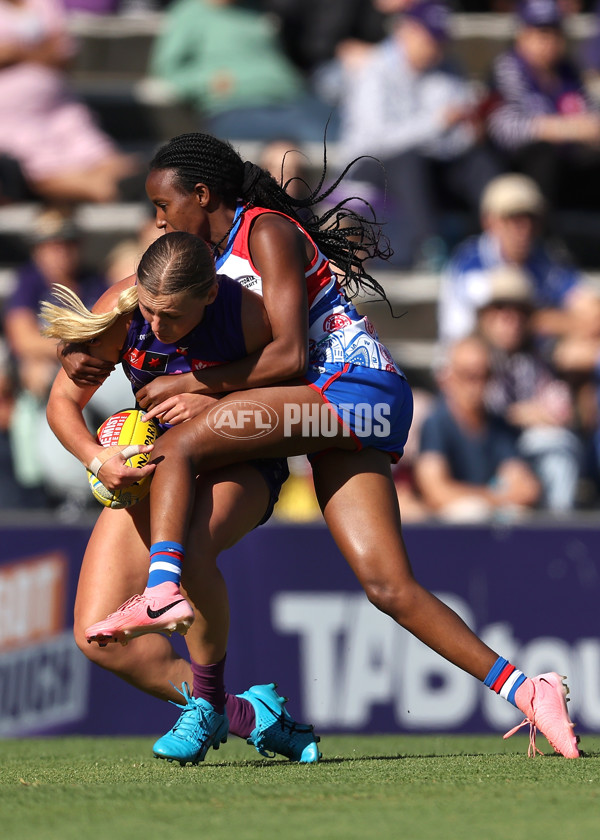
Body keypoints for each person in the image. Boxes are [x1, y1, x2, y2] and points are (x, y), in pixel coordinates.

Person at [60, 131, 581, 762]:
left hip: (351, 388)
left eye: (164, 207)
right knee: (388, 586)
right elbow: (69, 392)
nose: (158, 220)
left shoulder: (264, 232)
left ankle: (164, 588)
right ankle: (530, 690)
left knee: (180, 446)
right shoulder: (188, 273)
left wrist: (190, 385)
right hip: (334, 408)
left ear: (202, 195)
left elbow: (290, 355)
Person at [43, 231, 321, 766]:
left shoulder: (249, 317)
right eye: (149, 311)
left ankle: (207, 701)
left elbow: (294, 385)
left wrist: (210, 399)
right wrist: (100, 460)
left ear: (210, 296)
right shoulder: (126, 312)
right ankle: (244, 713)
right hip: (155, 471)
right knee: (94, 635)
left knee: (188, 555)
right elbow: (61, 404)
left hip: (242, 461)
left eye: (171, 317)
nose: (155, 327)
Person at [336, 0, 501, 268]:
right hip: (372, 167)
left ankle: (501, 234)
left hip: (428, 164)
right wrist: (437, 123)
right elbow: (376, 141)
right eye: (430, 37)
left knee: (477, 160)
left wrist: (471, 131)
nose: (436, 47)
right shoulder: (374, 70)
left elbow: (452, 137)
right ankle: (428, 246)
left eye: (440, 39)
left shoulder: (449, 68)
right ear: (406, 31)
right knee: (408, 159)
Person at [0, 0, 143, 204]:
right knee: (47, 168)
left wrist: (17, 52)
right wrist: (38, 50)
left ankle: (129, 185)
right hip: (11, 117)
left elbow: (63, 51)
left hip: (59, 108)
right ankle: (108, 191)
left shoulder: (44, 3)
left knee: (105, 158)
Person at [148, 0, 336, 143]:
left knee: (343, 127)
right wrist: (208, 82)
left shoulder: (256, 10)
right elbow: (167, 70)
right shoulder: (189, 12)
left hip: (295, 99)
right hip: (238, 106)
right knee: (323, 135)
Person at [475, 265, 582, 513]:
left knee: (559, 449)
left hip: (527, 456)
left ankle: (558, 529)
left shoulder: (535, 361)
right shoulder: (474, 357)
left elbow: (559, 411)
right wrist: (521, 413)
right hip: (485, 457)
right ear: (486, 316)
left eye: (519, 311)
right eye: (501, 309)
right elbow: (475, 412)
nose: (510, 319)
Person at [438, 173, 587, 348]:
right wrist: (546, 320)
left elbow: (587, 306)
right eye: (513, 219)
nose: (524, 229)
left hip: (530, 361)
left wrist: (558, 321)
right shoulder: (470, 260)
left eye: (531, 219)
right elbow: (502, 328)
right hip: (476, 361)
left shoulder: (545, 258)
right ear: (489, 221)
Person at [487, 0, 600, 212]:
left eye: (555, 33)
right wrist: (565, 129)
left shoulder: (568, 71)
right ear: (522, 34)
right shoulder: (507, 69)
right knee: (543, 154)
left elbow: (591, 118)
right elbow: (504, 130)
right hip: (517, 168)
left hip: (568, 165)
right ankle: (544, 238)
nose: (549, 42)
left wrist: (582, 129)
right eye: (541, 34)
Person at [414, 334, 541, 522]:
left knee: (520, 516)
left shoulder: (499, 426)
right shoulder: (436, 424)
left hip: (492, 519)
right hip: (451, 530)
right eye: (468, 375)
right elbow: (435, 492)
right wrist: (495, 497)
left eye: (485, 375)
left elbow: (527, 489)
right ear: (447, 377)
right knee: (471, 512)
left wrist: (488, 499)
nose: (477, 385)